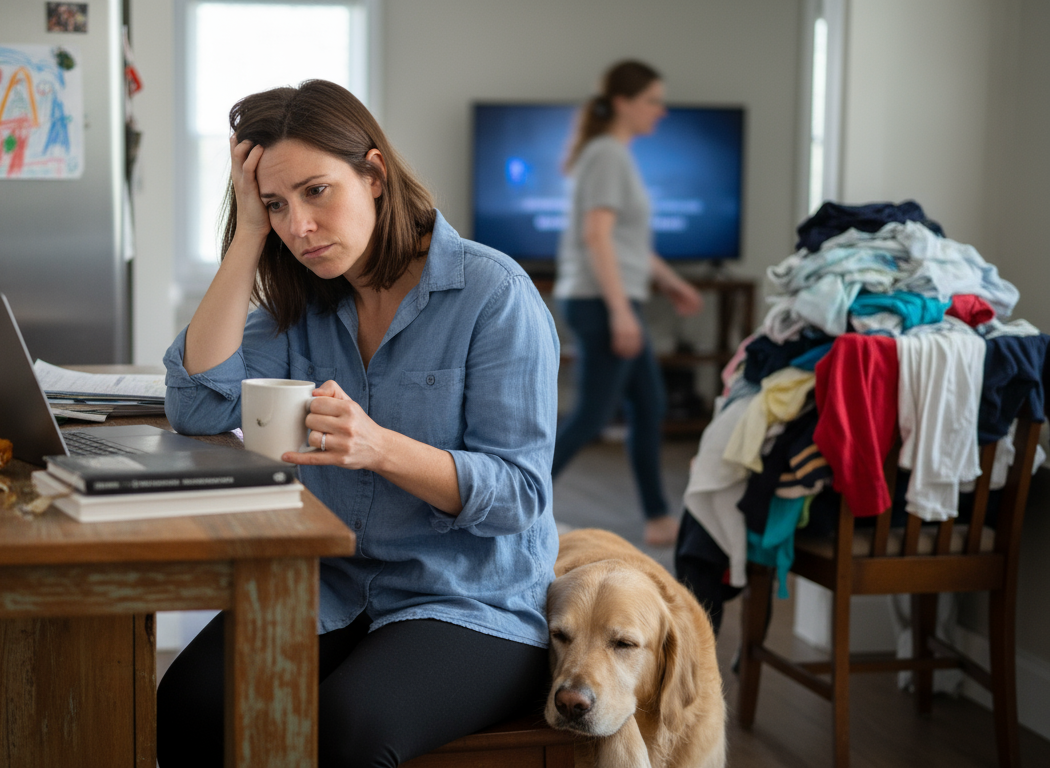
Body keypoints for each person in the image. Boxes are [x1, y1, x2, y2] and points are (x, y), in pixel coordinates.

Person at [156, 80, 560, 768]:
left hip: (466, 598)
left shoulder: (494, 295)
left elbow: (520, 494)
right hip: (332, 585)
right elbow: (196, 402)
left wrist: (380, 447)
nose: (299, 226)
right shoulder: (303, 305)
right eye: (277, 205)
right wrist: (248, 234)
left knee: (351, 730)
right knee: (189, 703)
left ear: (374, 175)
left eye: (317, 192)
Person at [552, 60, 704, 548]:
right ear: (623, 102)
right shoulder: (607, 155)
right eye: (652, 100)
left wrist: (672, 282)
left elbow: (627, 243)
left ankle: (658, 518)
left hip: (607, 298)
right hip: (600, 301)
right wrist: (621, 311)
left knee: (649, 403)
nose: (660, 110)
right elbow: (597, 236)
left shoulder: (611, 153)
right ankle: (513, 503)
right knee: (593, 416)